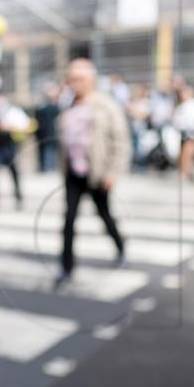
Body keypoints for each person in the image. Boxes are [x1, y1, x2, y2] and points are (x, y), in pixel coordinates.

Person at [55, 59, 131, 289]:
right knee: (68, 221)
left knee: (105, 215)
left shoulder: (105, 105)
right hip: (73, 173)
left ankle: (120, 247)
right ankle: (66, 267)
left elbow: (120, 140)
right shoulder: (67, 106)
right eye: (71, 79)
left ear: (91, 81)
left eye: (79, 79)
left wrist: (113, 172)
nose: (74, 84)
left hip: (97, 173)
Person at [0, 91, 29, 210]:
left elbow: (24, 124)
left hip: (9, 147)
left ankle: (19, 197)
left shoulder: (12, 111)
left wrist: (9, 126)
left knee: (15, 174)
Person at [34, 82, 61, 172]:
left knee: (52, 153)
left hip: (54, 133)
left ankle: (50, 168)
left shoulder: (58, 106)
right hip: (45, 134)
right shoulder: (43, 106)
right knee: (46, 152)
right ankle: (46, 169)